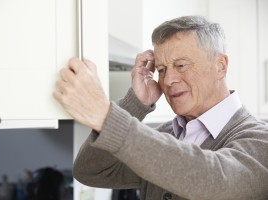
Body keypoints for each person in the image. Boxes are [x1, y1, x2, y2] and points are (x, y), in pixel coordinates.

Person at [53, 16, 268, 200]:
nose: (168, 79)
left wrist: (105, 115)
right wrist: (135, 104)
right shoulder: (167, 135)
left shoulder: (259, 140)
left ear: (220, 66)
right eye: (162, 69)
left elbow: (214, 179)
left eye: (181, 65)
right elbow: (90, 171)